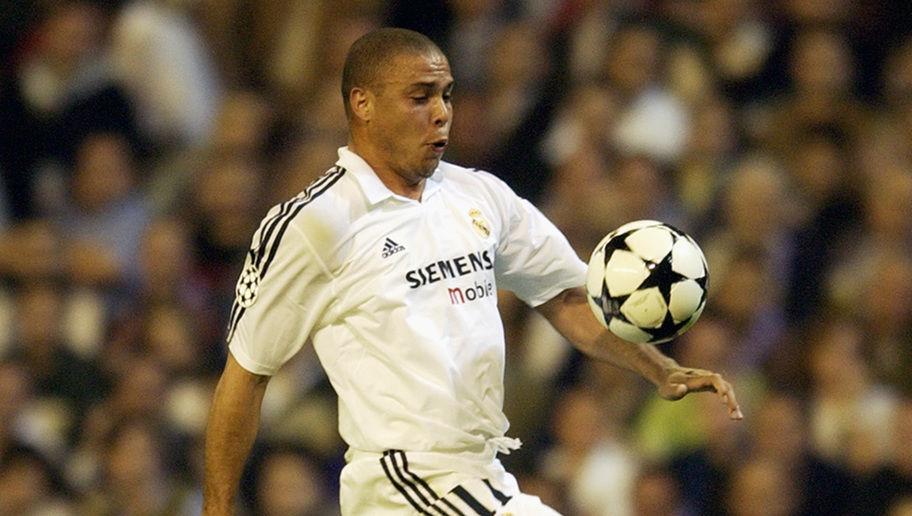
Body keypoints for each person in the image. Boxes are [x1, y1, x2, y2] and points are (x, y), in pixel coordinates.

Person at [202, 27, 742, 516]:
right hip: (403, 481)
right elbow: (246, 373)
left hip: (481, 474)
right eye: (420, 97)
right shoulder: (315, 224)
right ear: (362, 104)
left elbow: (567, 297)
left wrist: (659, 369)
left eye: (446, 95)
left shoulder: (477, 195)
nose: (441, 112)